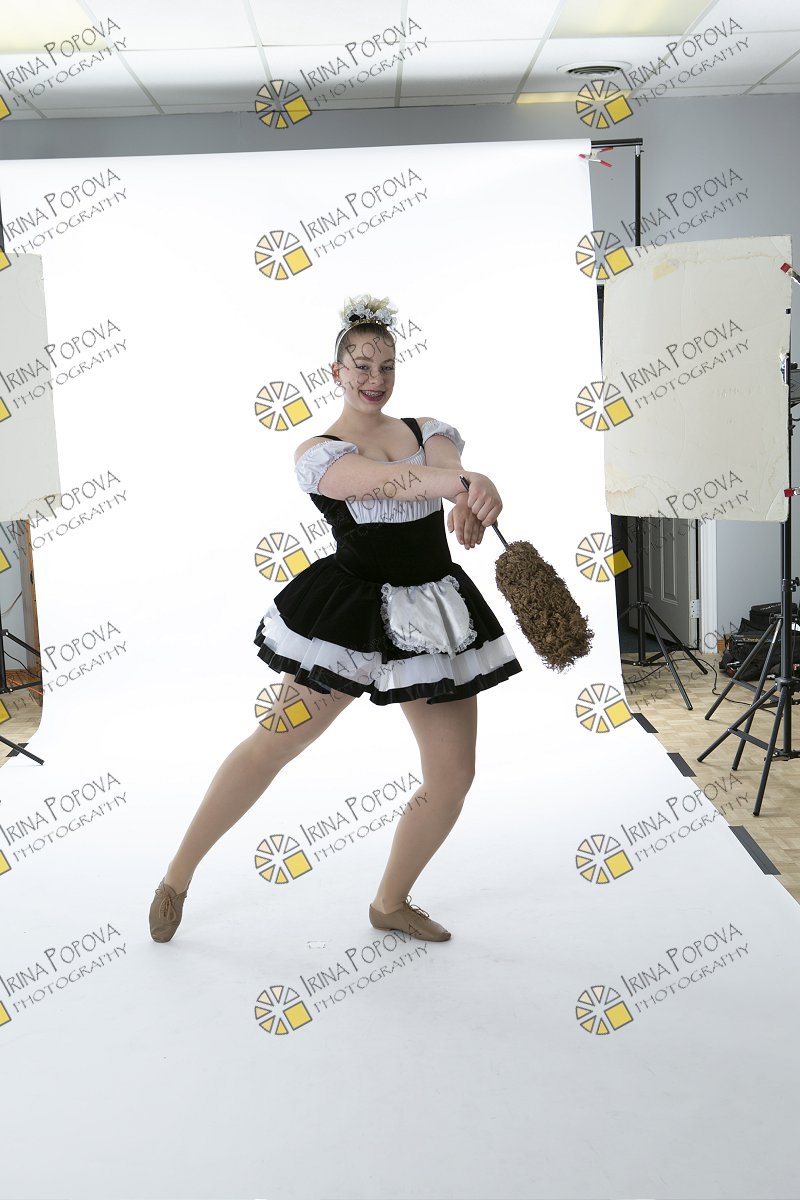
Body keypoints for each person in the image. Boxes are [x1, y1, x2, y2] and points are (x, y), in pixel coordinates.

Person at [149, 294, 522, 945]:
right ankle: (176, 878)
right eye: (362, 366)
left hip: (433, 616)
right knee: (275, 743)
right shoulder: (319, 454)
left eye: (387, 366)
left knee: (452, 777)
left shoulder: (429, 430)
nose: (375, 379)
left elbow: (446, 471)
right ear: (337, 372)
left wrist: (472, 489)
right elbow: (390, 484)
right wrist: (462, 486)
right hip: (349, 617)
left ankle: (390, 902)